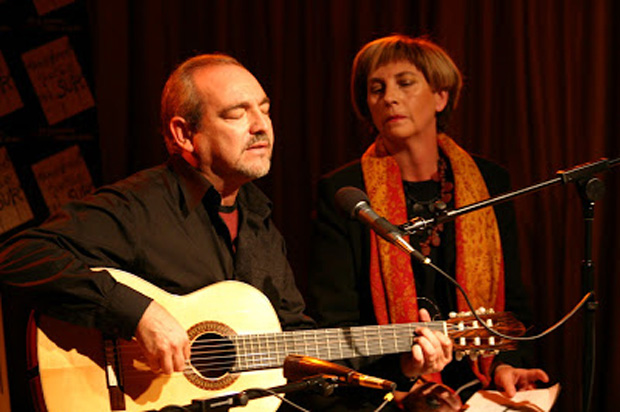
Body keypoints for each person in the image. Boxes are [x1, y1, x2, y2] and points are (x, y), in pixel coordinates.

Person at [0, 53, 314, 409]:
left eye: (264, 109)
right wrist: (136, 313)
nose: (261, 125)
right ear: (184, 133)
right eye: (236, 113)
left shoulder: (261, 226)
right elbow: (19, 256)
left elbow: (292, 336)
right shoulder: (139, 207)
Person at [304, 34, 549, 411]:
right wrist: (403, 375)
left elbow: (512, 299)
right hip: (389, 390)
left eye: (405, 83)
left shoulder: (490, 182)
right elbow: (336, 327)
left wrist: (505, 365)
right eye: (376, 89)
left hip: (480, 389)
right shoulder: (344, 192)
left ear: (440, 97)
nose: (389, 97)